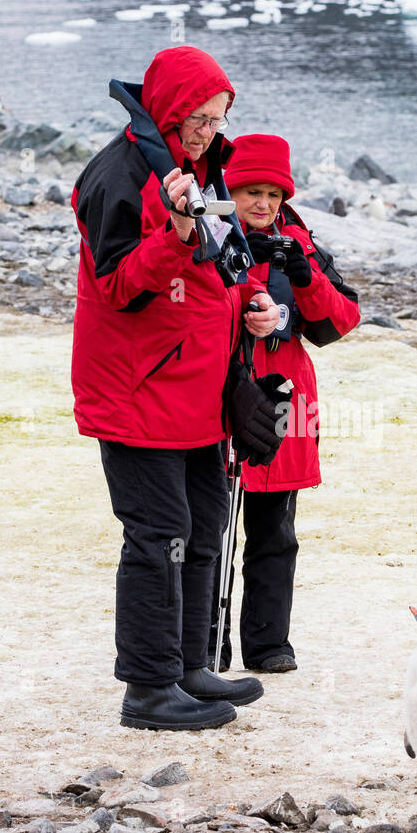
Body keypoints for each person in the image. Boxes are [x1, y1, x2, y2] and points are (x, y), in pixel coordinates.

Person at [70, 47, 283, 730]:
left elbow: (225, 261)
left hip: (195, 391)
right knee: (158, 536)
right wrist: (178, 233)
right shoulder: (117, 175)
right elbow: (119, 286)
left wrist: (256, 303)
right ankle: (148, 690)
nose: (211, 131)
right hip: (139, 391)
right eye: (200, 117)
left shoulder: (195, 165)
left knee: (204, 530)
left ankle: (190, 667)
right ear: (170, 107)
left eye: (219, 119)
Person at [210, 134, 361, 673]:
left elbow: (341, 321)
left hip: (284, 398)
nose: (263, 203)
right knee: (207, 529)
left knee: (275, 531)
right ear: (230, 191)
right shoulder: (211, 237)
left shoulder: (302, 245)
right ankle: (205, 647)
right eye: (251, 191)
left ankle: (269, 645)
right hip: (219, 396)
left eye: (273, 193)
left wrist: (302, 283)